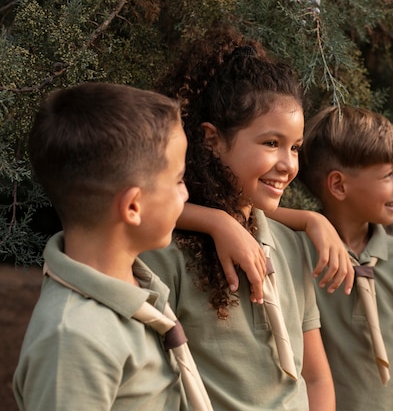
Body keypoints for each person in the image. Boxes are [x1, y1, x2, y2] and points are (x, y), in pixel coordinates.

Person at [139, 26, 335, 411]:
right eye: (271, 143)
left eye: (295, 147)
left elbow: (314, 375)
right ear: (211, 140)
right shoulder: (166, 251)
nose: (288, 164)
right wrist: (217, 222)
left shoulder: (293, 246)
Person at [13, 82, 191, 411]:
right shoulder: (73, 342)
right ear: (133, 207)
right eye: (179, 179)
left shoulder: (139, 285)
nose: (186, 194)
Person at [288, 105, 393, 411]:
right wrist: (310, 221)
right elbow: (248, 213)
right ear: (338, 185)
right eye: (388, 175)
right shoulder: (296, 252)